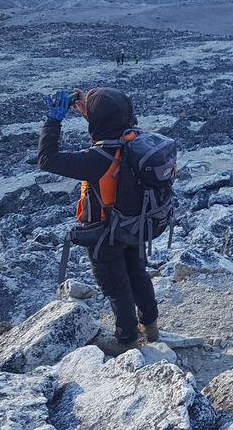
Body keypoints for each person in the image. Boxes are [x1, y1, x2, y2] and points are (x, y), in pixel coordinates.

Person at [39, 87, 158, 354]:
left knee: (116, 286)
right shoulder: (138, 140)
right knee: (138, 274)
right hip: (135, 225)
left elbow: (47, 159)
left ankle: (126, 340)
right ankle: (151, 326)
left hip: (105, 234)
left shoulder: (96, 159)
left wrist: (53, 120)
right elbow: (111, 126)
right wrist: (89, 111)